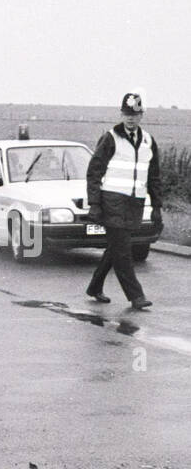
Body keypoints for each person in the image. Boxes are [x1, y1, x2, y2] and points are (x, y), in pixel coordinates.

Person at [86, 89, 161, 309]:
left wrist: (157, 207)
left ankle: (94, 287)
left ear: (141, 115)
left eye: (135, 114)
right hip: (112, 202)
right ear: (121, 114)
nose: (131, 117)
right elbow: (94, 172)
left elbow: (154, 176)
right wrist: (95, 203)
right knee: (122, 250)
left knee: (116, 247)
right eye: (127, 113)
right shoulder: (110, 138)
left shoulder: (148, 141)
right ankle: (136, 296)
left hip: (134, 204)